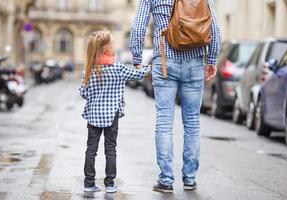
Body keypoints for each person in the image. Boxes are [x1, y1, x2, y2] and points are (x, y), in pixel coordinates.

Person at [130, 0, 222, 193]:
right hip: (195, 62)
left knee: (164, 122)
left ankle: (165, 180)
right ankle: (189, 178)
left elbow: (139, 24)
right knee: (192, 123)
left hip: (165, 61)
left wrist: (137, 57)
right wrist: (212, 60)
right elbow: (214, 27)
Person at [79, 31, 151, 193]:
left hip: (93, 116)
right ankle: (110, 184)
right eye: (112, 44)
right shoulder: (118, 68)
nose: (115, 46)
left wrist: (97, 96)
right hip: (112, 116)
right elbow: (138, 74)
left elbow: (83, 92)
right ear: (106, 49)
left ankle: (89, 183)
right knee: (110, 148)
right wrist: (149, 67)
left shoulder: (90, 69)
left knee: (91, 149)